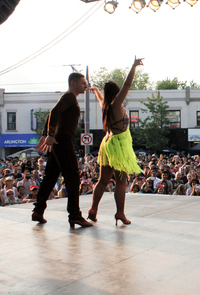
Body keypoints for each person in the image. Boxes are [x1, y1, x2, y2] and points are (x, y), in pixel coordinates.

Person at [87, 57, 144, 226]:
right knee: (121, 182)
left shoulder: (105, 105)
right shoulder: (116, 103)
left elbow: (99, 98)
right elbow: (127, 85)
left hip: (108, 143)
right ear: (116, 92)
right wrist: (133, 67)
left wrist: (97, 91)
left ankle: (93, 209)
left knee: (102, 180)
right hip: (119, 144)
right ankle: (120, 213)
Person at [32, 73, 92, 228]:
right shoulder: (69, 97)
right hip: (63, 140)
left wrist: (47, 134)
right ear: (73, 83)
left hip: (59, 140)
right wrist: (49, 135)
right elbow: (54, 112)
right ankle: (75, 215)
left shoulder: (69, 98)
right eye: (83, 83)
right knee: (73, 177)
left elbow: (53, 114)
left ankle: (38, 210)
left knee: (51, 177)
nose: (85, 86)